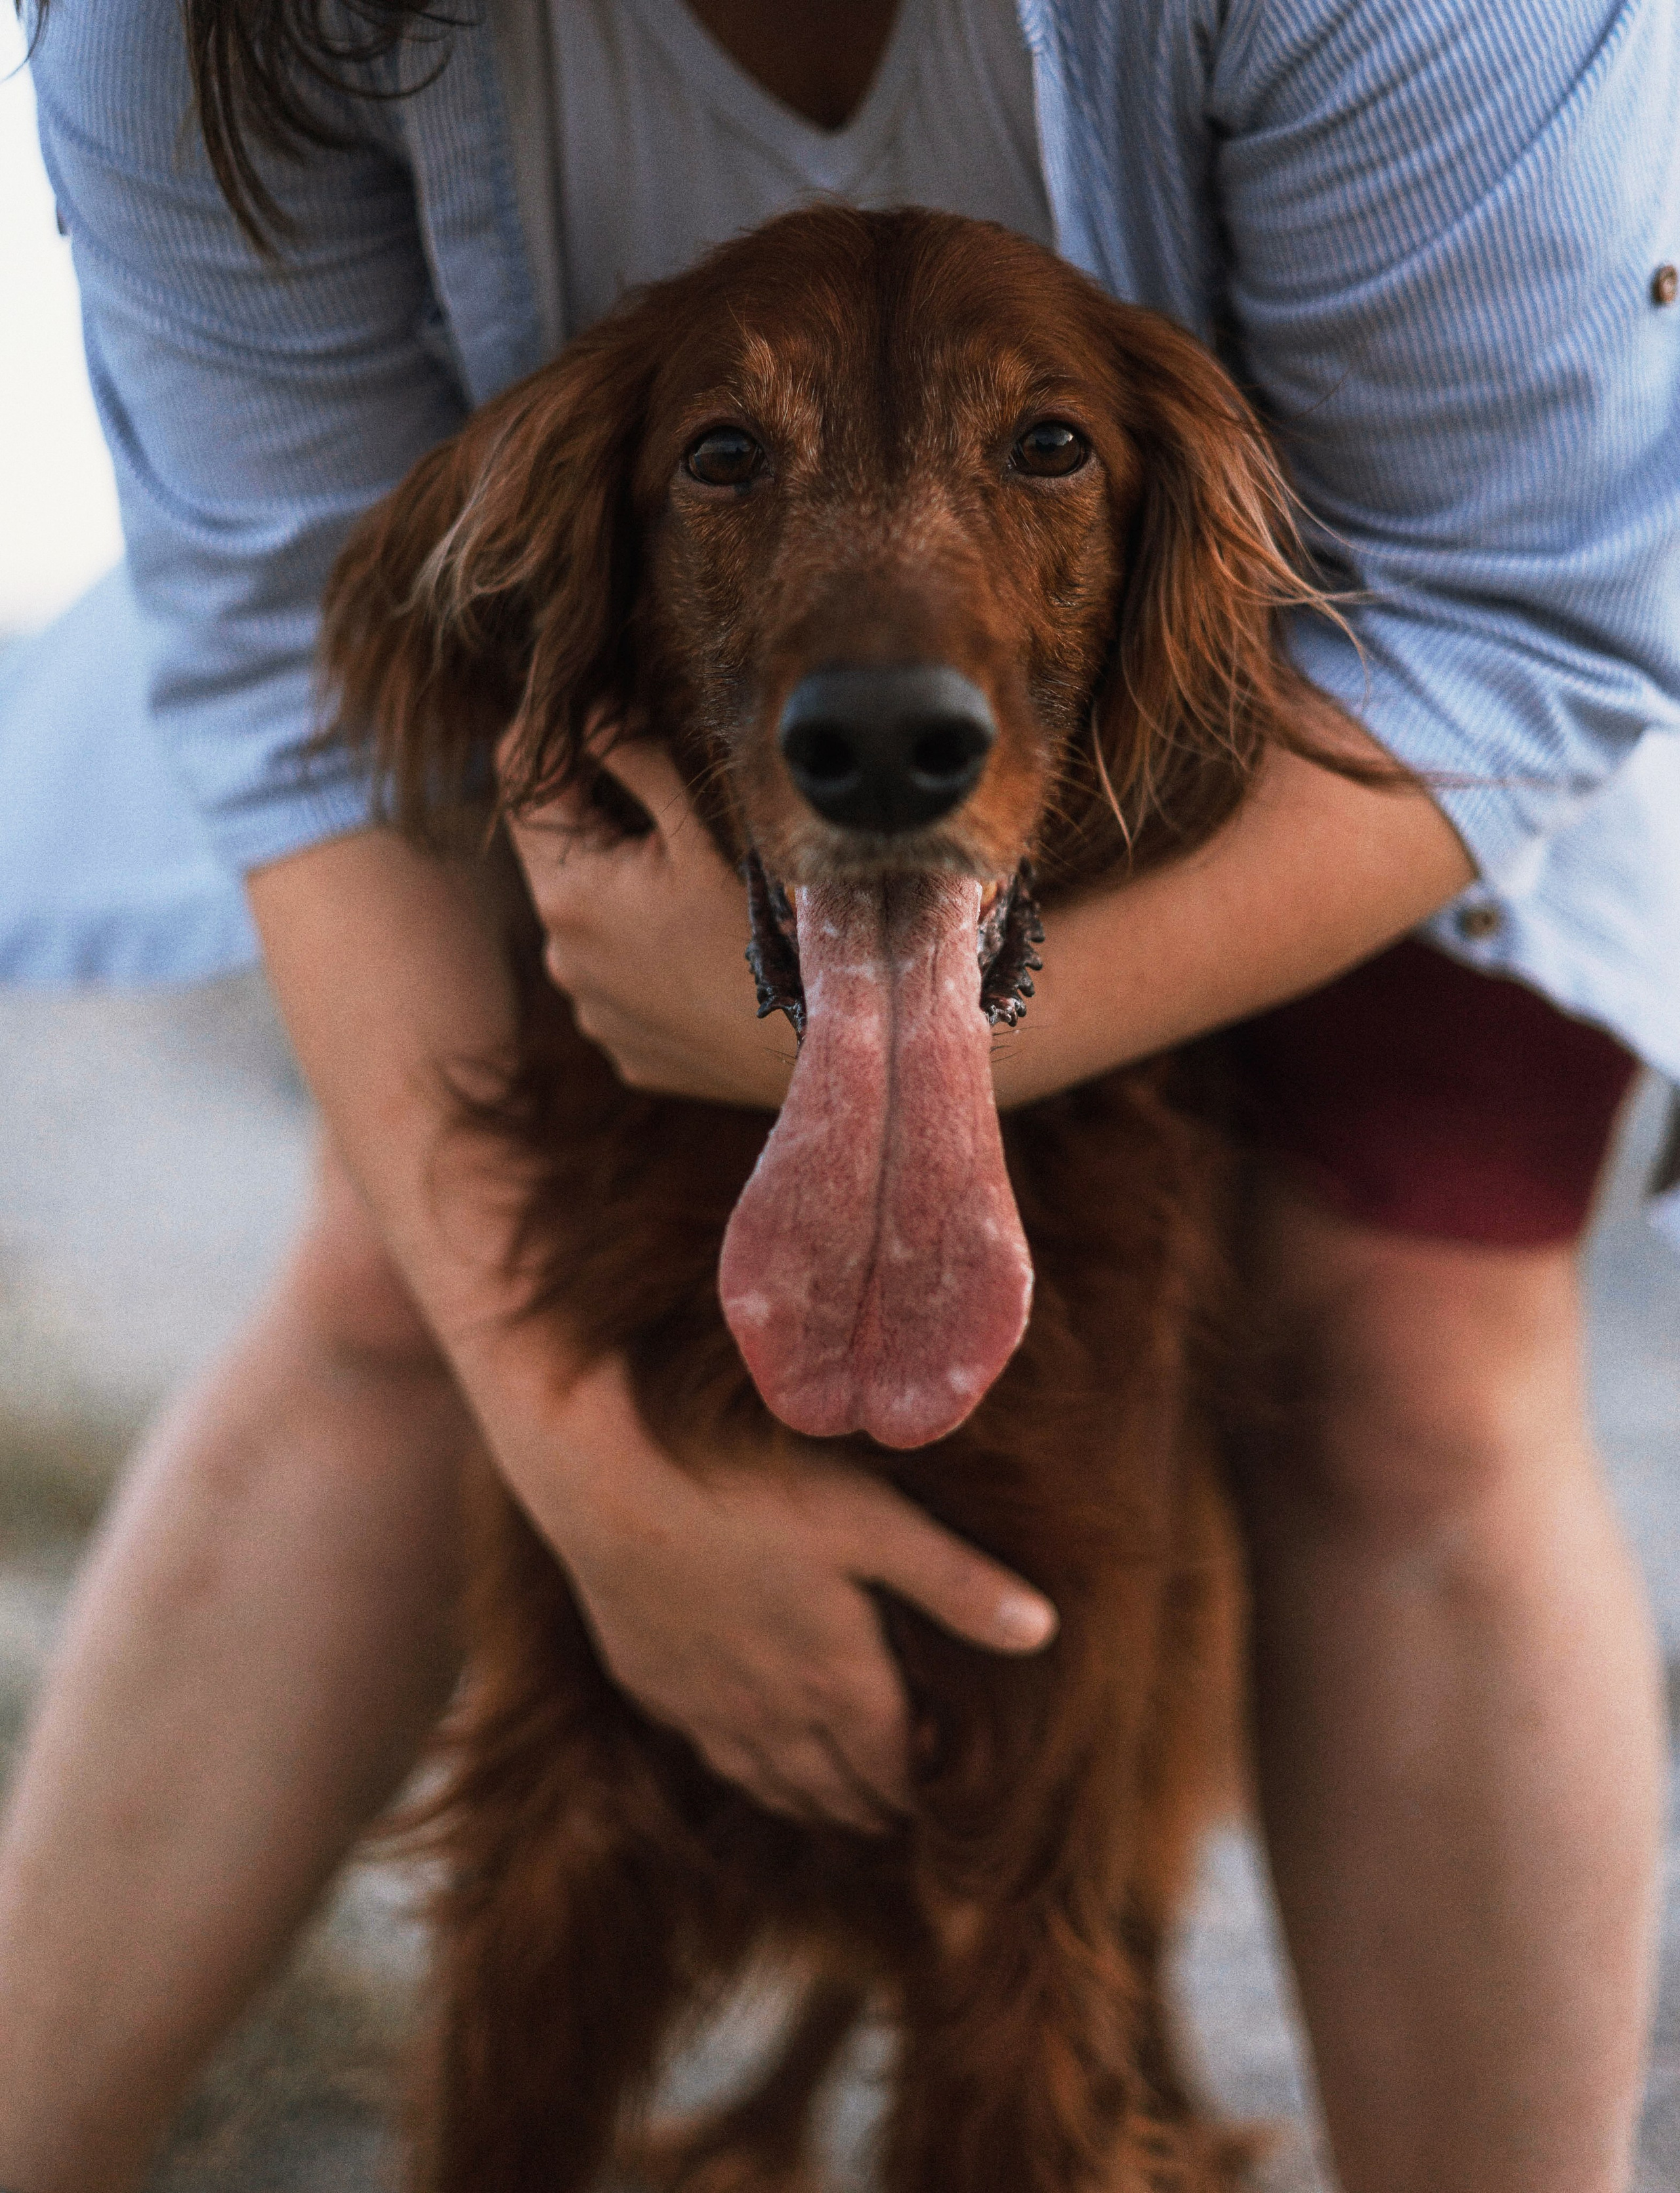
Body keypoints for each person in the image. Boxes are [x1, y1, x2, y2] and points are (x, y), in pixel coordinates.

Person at [1, 1, 1677, 2188]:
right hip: (590, 686)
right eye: (725, 452)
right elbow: (269, 656)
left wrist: (916, 1038)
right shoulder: (176, 31)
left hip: (1383, 665)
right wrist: (584, 1460)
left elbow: (1528, 612)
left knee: (1413, 1360)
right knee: (389, 1293)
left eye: (1044, 449)